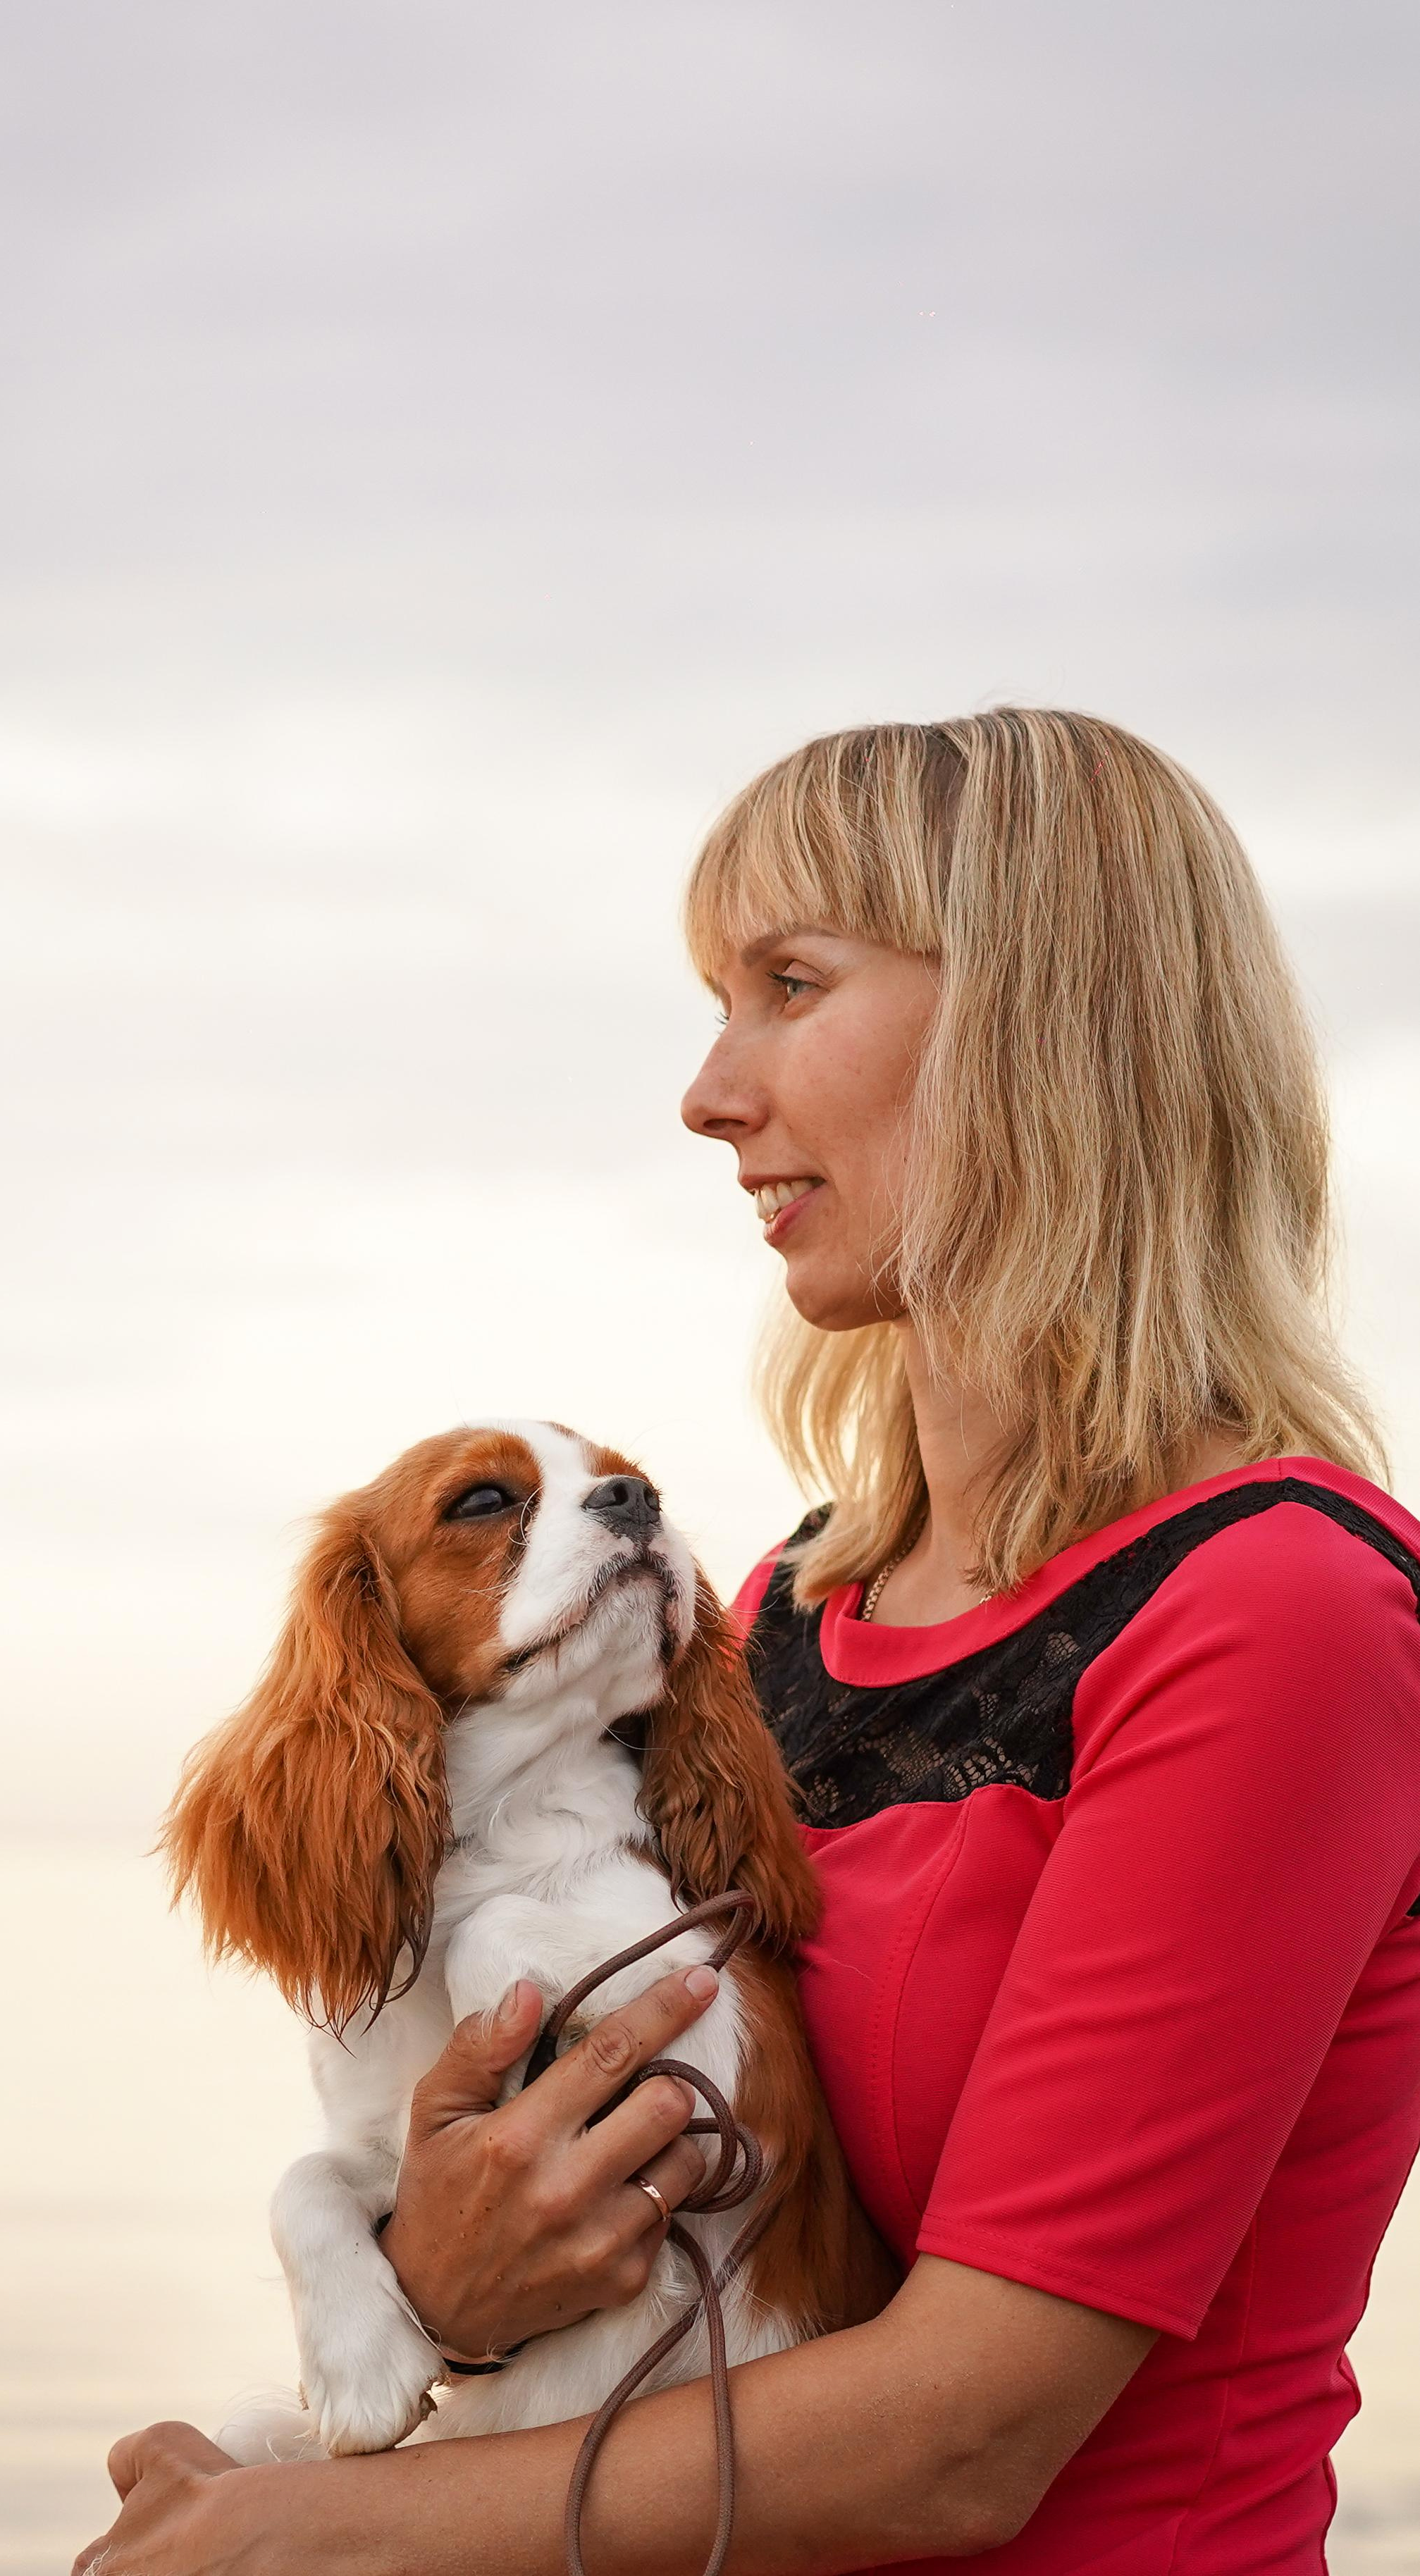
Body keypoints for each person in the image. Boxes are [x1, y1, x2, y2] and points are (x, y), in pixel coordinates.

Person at [75, 710, 1420, 2575]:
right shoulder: (786, 1606)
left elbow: (963, 2443)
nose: (709, 1090)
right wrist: (427, 2293)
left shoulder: (1276, 1609)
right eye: (719, 999)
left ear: (1041, 1030)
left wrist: (304, 2536)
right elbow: (628, 2269)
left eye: (788, 984)